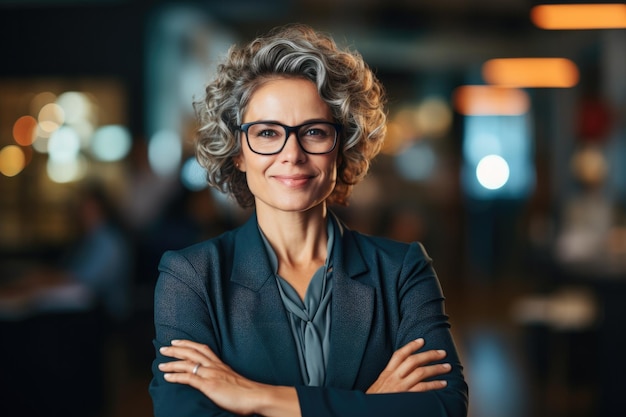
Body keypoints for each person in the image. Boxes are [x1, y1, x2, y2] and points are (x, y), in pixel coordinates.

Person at [150, 24, 468, 417]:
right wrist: (371, 406)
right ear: (238, 153)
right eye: (267, 133)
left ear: (342, 146)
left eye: (314, 132)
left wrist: (258, 397)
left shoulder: (402, 270)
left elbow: (443, 407)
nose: (292, 154)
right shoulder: (192, 277)